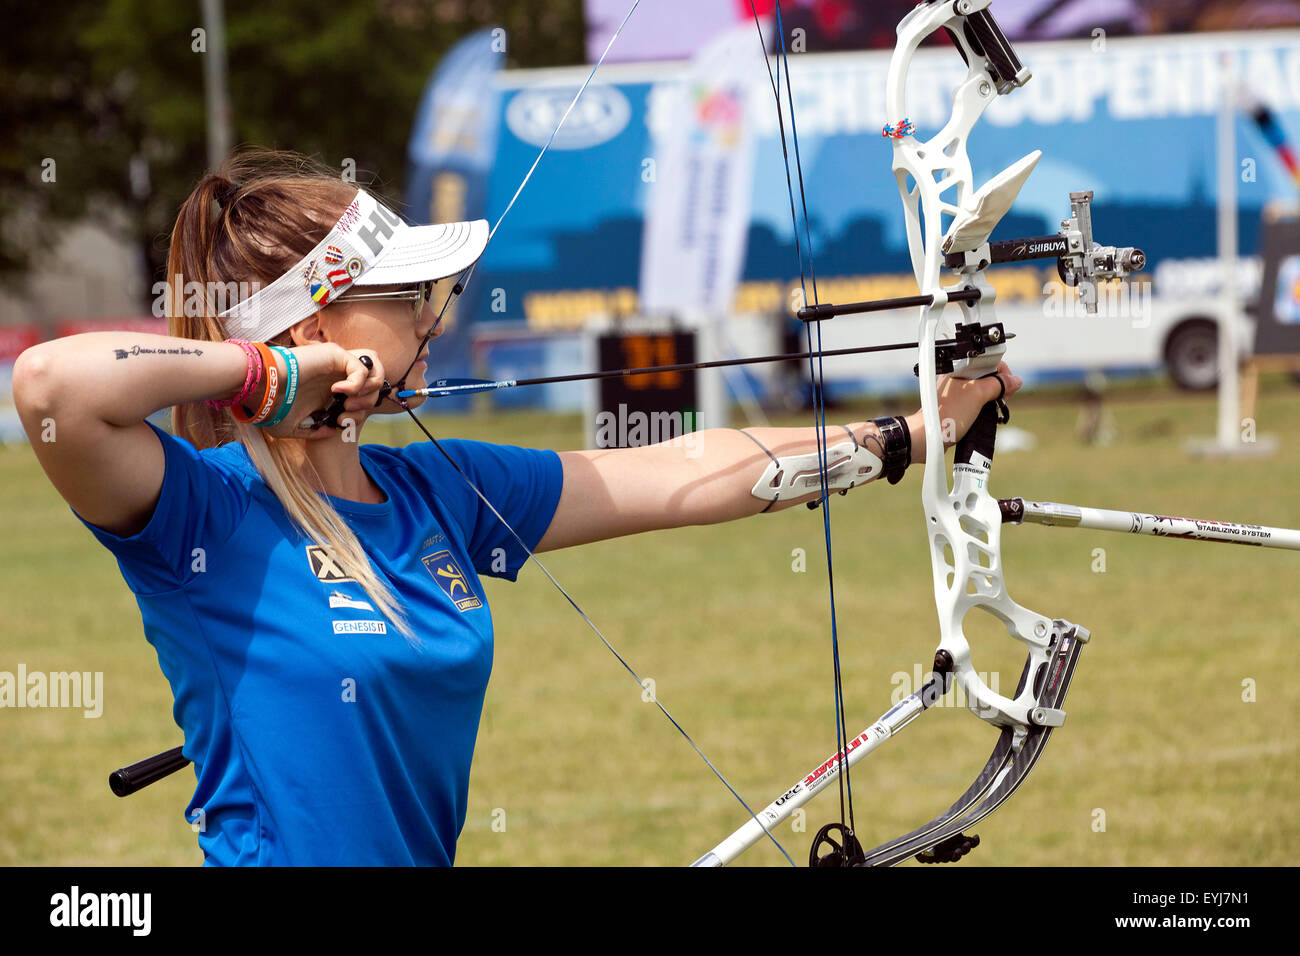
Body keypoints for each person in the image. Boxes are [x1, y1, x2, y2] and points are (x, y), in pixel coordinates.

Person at [11, 149, 1021, 865]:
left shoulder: (434, 490)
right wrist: (274, 375)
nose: (432, 314)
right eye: (405, 295)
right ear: (319, 318)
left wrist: (905, 436)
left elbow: (674, 474)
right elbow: (55, 387)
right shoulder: (201, 514)